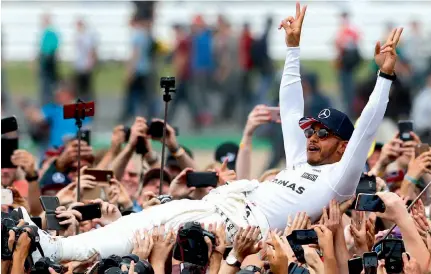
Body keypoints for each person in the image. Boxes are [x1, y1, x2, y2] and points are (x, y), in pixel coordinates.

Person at [18, 3, 403, 264]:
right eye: (311, 130)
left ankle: (54, 253)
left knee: (146, 234)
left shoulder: (340, 180)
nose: (312, 137)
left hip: (241, 230)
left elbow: (368, 123)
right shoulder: (300, 159)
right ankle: (53, 249)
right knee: (138, 221)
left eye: (323, 133)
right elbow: (289, 109)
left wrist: (384, 77)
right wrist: (292, 49)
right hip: (221, 205)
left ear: (344, 144)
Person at [37, 13, 60, 105]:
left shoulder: (51, 33)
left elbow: (52, 48)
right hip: (45, 61)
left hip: (49, 61)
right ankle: (47, 102)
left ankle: (50, 102)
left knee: (49, 84)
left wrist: (47, 57)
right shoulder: (45, 33)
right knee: (45, 84)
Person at [73, 18, 97, 102]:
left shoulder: (87, 37)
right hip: (79, 65)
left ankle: (88, 106)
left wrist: (90, 63)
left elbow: (91, 50)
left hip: (85, 65)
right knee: (79, 88)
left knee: (86, 88)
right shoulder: (77, 36)